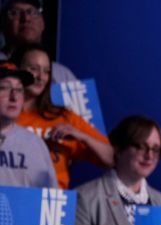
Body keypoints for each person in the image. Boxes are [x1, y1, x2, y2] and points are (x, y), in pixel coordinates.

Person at [72, 115, 161, 225]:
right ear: (118, 149)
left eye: (156, 149)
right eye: (140, 146)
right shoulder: (85, 197)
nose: (149, 155)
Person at [15, 44, 112, 189]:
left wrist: (81, 135)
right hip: (10, 198)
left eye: (46, 71)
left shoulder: (64, 117)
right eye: (33, 69)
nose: (41, 77)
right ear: (16, 70)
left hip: (52, 204)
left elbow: (111, 158)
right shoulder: (6, 116)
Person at [0, 62, 56, 188]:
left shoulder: (35, 144)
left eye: (19, 90)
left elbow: (50, 199)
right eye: (4, 88)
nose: (14, 97)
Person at [0, 0, 75, 83]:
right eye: (15, 13)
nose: (26, 18)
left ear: (42, 23)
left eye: (32, 12)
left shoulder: (63, 75)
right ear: (2, 24)